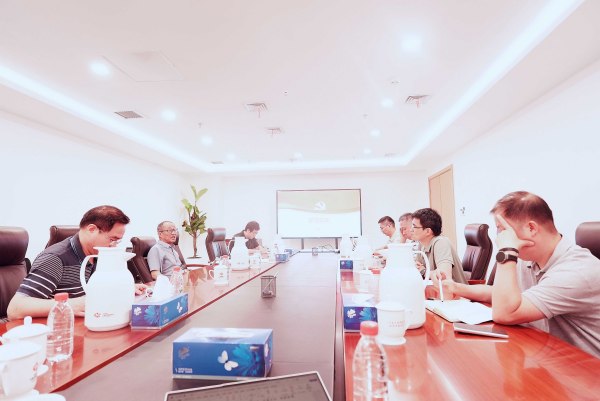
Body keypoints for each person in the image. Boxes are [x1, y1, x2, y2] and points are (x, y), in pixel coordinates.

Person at [437, 191, 600, 358]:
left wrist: (507, 250)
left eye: (503, 231)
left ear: (531, 228)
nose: (499, 238)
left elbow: (505, 313)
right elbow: (500, 294)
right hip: (548, 354)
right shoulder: (527, 259)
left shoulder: (576, 270)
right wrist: (455, 287)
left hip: (586, 367)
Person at [7, 206, 147, 319]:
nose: (113, 246)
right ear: (92, 230)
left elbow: (96, 289)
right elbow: (15, 309)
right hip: (58, 330)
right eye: (112, 239)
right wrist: (70, 304)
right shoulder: (55, 258)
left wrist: (122, 288)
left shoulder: (97, 254)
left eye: (117, 241)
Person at [411, 208, 468, 289]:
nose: (411, 230)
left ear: (427, 231)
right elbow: (417, 267)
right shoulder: (422, 244)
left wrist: (423, 272)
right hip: (437, 291)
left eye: (414, 227)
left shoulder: (441, 242)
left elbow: (444, 275)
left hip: (456, 294)